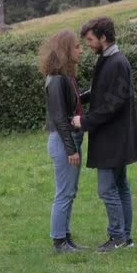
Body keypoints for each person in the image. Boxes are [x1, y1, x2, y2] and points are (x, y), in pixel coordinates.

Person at [73, 16, 137, 253]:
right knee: (120, 186)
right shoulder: (108, 60)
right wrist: (80, 98)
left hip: (114, 139)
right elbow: (101, 91)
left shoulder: (117, 63)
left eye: (91, 39)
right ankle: (125, 238)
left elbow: (113, 103)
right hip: (115, 138)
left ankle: (118, 238)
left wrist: (83, 121)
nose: (88, 45)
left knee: (108, 189)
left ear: (104, 37)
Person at [39, 30, 87, 254]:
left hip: (69, 139)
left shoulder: (65, 77)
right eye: (77, 46)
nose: (81, 50)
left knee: (70, 191)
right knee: (64, 192)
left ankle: (66, 238)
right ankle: (59, 242)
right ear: (66, 50)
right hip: (63, 141)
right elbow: (59, 117)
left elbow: (72, 103)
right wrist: (71, 149)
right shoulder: (56, 80)